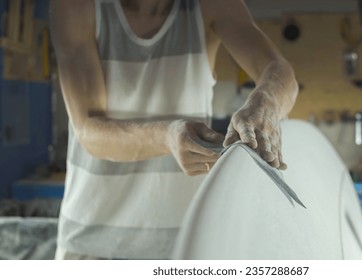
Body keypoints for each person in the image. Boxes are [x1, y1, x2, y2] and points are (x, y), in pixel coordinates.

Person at [50, 0, 298, 259]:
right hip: (92, 240)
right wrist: (168, 137)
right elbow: (89, 132)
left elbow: (280, 72)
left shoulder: (212, 5)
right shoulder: (76, 6)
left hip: (183, 240)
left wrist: (265, 104)